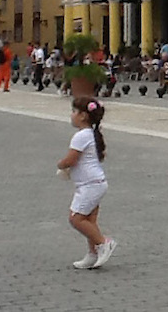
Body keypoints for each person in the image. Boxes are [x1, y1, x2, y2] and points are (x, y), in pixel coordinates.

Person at [56, 97, 116, 270]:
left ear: (83, 116)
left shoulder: (81, 136)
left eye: (74, 111)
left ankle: (103, 243)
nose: (71, 115)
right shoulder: (90, 135)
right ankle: (93, 253)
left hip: (90, 184)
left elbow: (72, 159)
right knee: (89, 220)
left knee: (76, 218)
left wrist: (61, 164)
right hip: (94, 183)